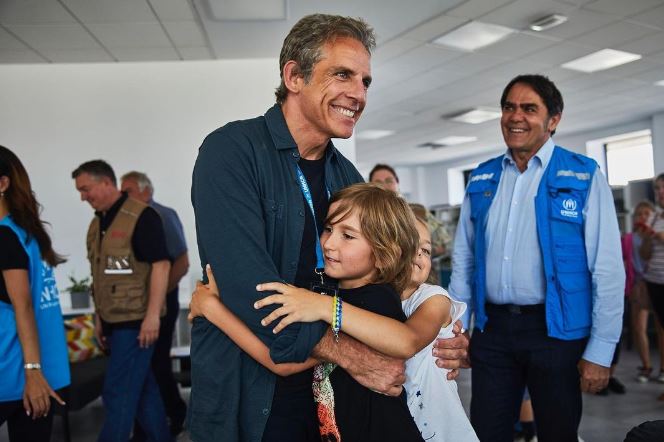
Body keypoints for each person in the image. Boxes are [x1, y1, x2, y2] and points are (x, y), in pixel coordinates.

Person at [189, 13, 468, 442]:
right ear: (294, 76)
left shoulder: (350, 179)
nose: (358, 94)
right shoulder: (231, 153)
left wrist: (436, 339)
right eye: (343, 75)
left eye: (365, 81)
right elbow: (254, 294)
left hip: (332, 402)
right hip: (250, 397)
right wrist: (355, 354)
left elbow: (392, 283)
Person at [191, 184, 478, 441]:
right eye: (328, 229)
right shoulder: (334, 294)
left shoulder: (375, 301)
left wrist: (214, 310)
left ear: (383, 252)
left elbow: (405, 341)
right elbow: (282, 357)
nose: (328, 243)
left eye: (348, 236)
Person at [449, 74, 624, 442]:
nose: (516, 117)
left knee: (558, 433)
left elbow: (606, 269)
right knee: (486, 431)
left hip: (555, 333)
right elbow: (463, 263)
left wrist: (601, 350)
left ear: (553, 120)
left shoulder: (583, 175)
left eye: (529, 109)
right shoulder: (482, 179)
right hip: (493, 332)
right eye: (509, 107)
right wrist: (456, 329)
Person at [72, 160, 173, 442]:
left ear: (106, 182)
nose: (83, 196)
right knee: (142, 392)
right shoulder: (97, 222)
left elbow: (161, 265)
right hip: (113, 322)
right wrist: (98, 318)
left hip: (137, 323)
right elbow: (99, 275)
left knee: (117, 391)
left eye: (85, 189)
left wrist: (153, 316)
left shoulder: (142, 216)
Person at [0, 145, 70, 442]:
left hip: (15, 372)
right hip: (41, 372)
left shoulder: (4, 236)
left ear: (3, 183)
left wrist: (31, 371)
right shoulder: (27, 234)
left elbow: (24, 305)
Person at [121, 171, 189, 436]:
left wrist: (158, 298)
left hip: (162, 300)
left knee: (158, 360)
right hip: (142, 303)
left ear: (146, 192)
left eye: (127, 191)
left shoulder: (163, 215)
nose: (122, 196)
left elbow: (181, 262)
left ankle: (174, 412)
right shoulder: (129, 219)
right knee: (147, 363)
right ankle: (152, 422)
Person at [369, 164, 451, 259]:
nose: (385, 186)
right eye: (378, 182)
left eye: (389, 181)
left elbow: (445, 244)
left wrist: (421, 251)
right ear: (371, 187)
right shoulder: (366, 216)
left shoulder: (419, 211)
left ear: (397, 183)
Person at [640, 173, 664, 399]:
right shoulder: (655, 218)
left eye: (663, 188)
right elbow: (645, 254)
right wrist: (648, 238)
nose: (660, 193)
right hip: (655, 282)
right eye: (657, 189)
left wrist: (660, 236)